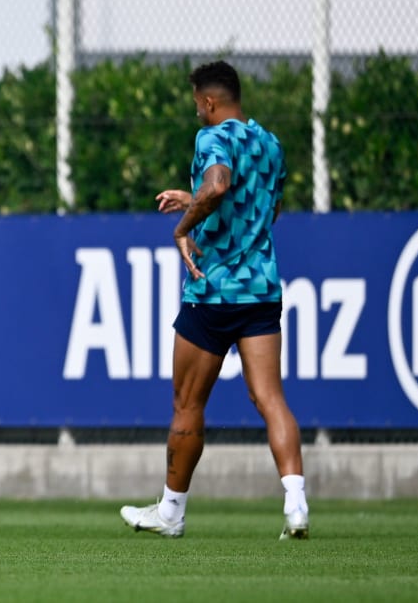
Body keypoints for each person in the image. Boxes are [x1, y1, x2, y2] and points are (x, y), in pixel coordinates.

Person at [120, 60, 308, 540]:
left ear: (208, 101)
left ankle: (171, 513)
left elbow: (220, 184)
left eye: (196, 105)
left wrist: (184, 227)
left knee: (187, 404)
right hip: (261, 288)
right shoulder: (270, 143)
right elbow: (266, 206)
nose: (197, 113)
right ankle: (296, 505)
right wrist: (195, 199)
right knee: (270, 398)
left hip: (213, 290)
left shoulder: (213, 137)